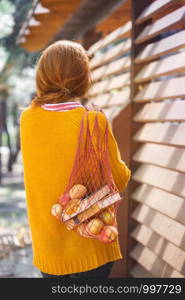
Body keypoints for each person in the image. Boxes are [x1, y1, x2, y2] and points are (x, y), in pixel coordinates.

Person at [19, 40, 131, 278]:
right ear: (83, 77)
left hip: (48, 248)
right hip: (91, 240)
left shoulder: (28, 120)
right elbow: (119, 180)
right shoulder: (92, 121)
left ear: (43, 76)